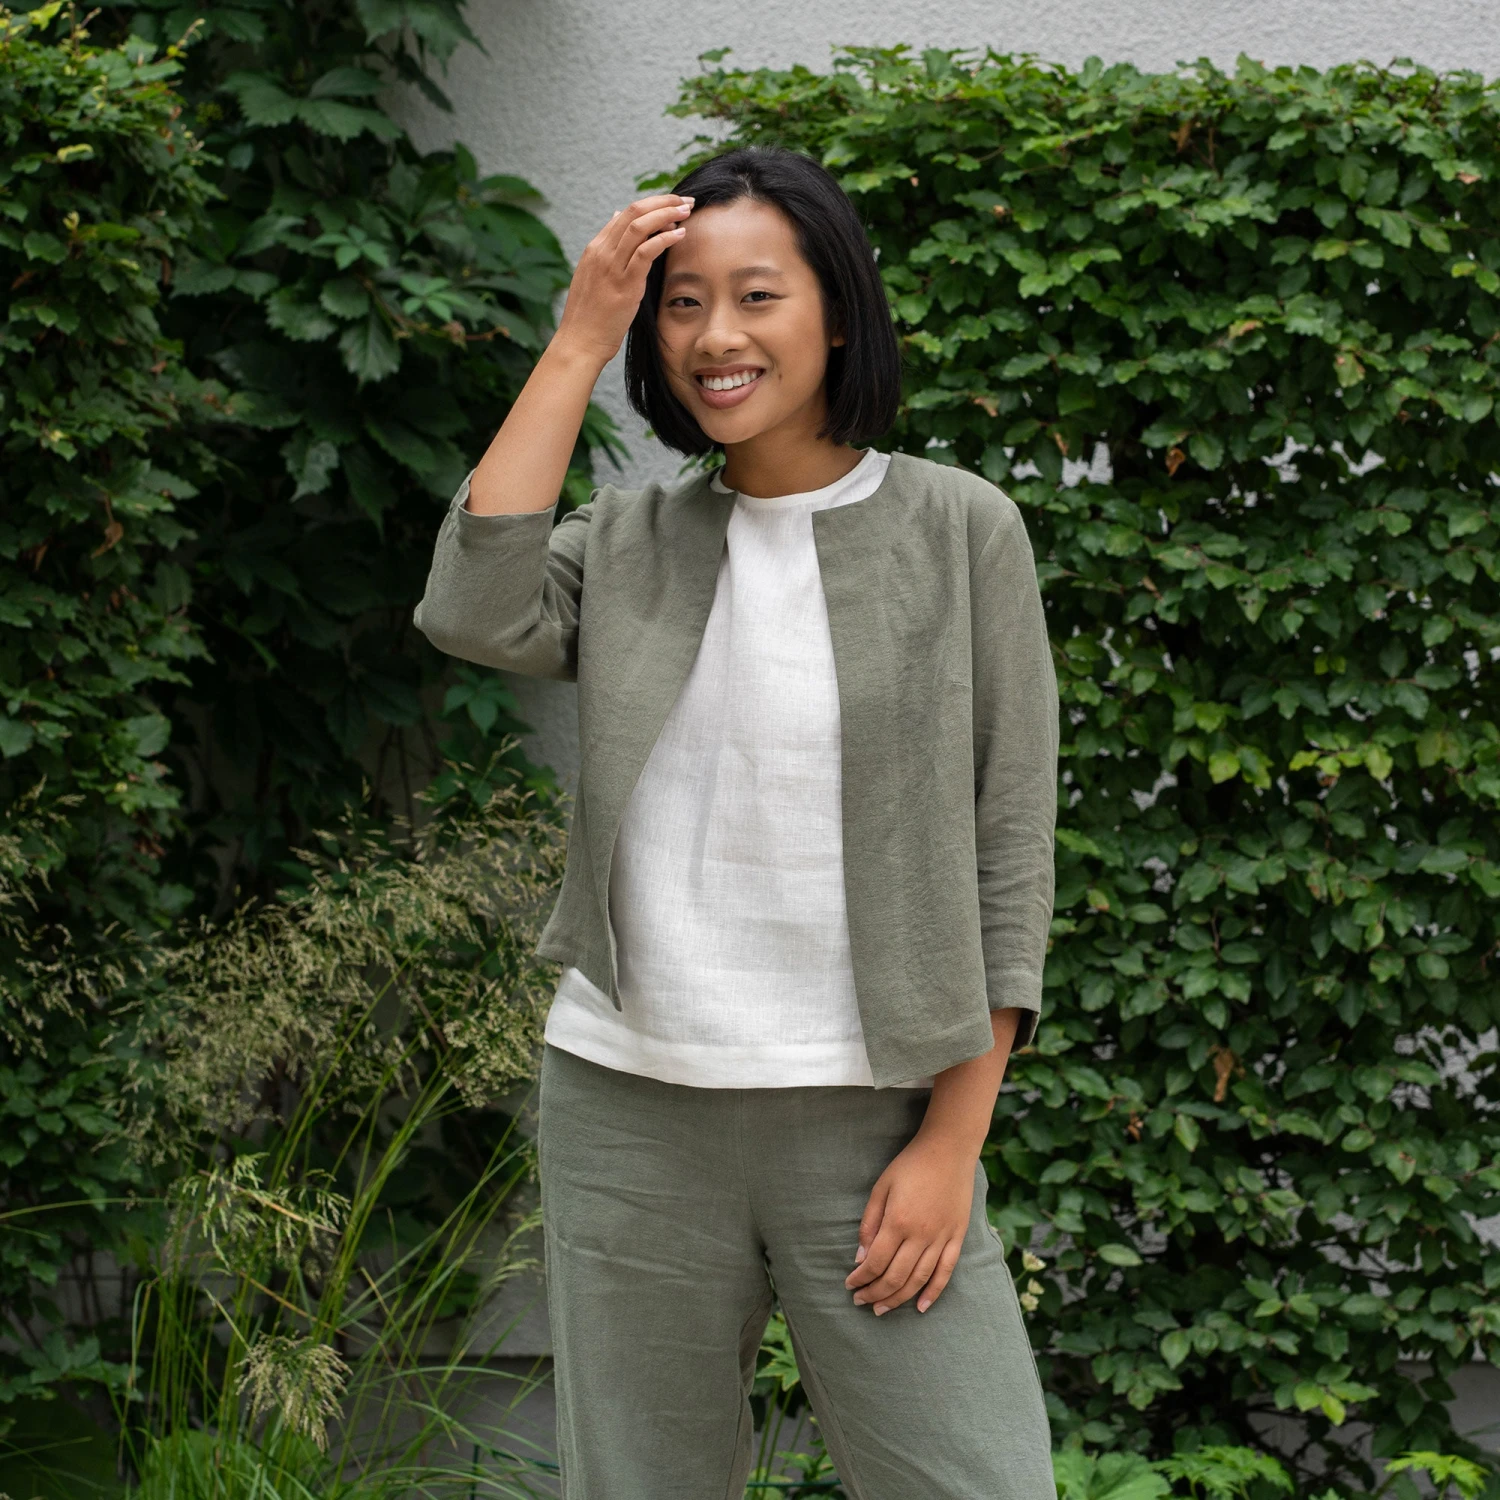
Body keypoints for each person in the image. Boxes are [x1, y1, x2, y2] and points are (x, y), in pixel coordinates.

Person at [414, 146, 1059, 1500]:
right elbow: (472, 608)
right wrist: (579, 337)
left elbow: (1010, 851)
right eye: (682, 303)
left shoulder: (961, 530)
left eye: (758, 295)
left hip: (874, 1111)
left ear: (838, 312)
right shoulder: (630, 538)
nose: (717, 336)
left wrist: (952, 1142)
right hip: (628, 1106)